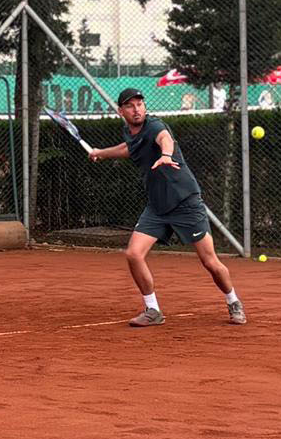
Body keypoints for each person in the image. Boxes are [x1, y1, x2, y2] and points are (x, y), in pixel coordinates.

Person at [88, 88, 246, 328]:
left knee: (210, 261)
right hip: (157, 206)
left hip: (185, 202)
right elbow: (129, 148)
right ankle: (153, 310)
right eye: (130, 105)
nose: (136, 109)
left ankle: (233, 301)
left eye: (140, 104)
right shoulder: (130, 132)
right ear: (121, 111)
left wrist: (166, 155)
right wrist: (101, 153)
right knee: (133, 254)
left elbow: (165, 138)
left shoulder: (154, 126)